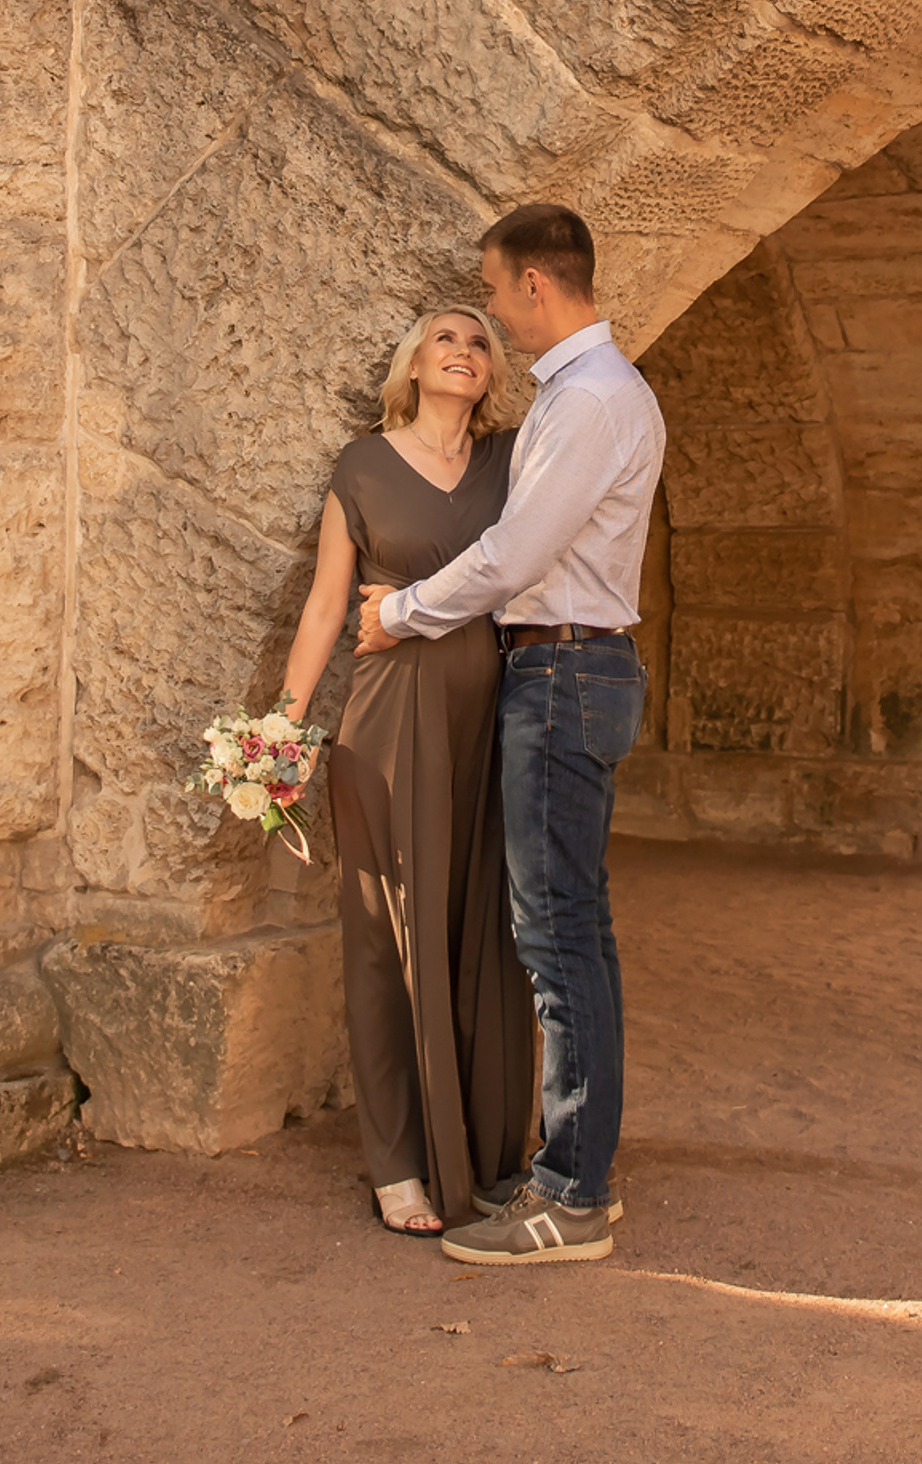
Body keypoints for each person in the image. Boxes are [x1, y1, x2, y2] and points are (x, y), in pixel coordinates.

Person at [358, 204, 665, 1269]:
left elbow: (513, 550)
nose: (487, 309)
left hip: (563, 667)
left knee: (556, 941)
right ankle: (578, 1172)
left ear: (536, 285)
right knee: (580, 932)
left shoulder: (587, 400)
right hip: (577, 666)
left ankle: (570, 1194)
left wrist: (396, 612)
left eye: (491, 291)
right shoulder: (592, 393)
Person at [281, 308, 533, 1237]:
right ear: (414, 366)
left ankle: (490, 1152)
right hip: (386, 725)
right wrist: (282, 726)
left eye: (479, 344)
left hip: (495, 721)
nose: (464, 353)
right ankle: (397, 1164)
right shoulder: (363, 465)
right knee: (386, 936)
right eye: (446, 342)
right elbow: (323, 606)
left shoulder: (512, 463)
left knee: (487, 934)